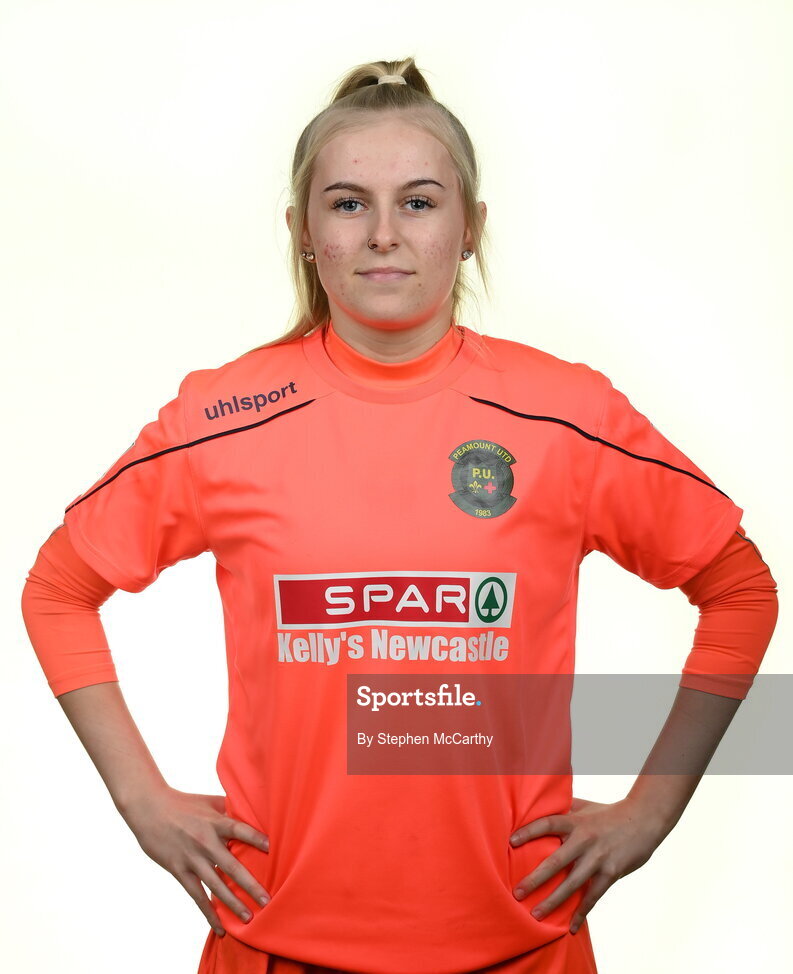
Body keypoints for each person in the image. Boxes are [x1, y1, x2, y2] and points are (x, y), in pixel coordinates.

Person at [21, 57, 778, 974]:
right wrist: (143, 802)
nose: (383, 234)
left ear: (469, 229)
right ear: (303, 231)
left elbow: (738, 588)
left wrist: (651, 808)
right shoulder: (222, 415)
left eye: (418, 202)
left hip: (520, 944)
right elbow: (59, 587)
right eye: (346, 204)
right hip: (275, 942)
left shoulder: (564, 413)